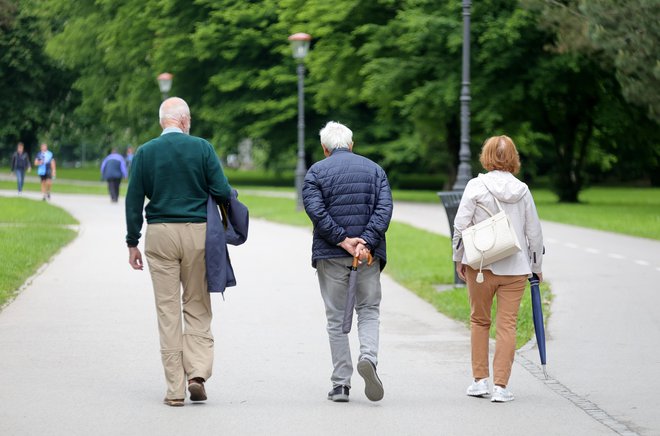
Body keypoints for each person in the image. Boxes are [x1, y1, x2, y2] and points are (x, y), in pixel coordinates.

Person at [125, 97, 232, 407]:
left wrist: (132, 241)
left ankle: (174, 389)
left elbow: (134, 200)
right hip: (198, 233)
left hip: (159, 235)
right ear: (184, 121)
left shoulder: (145, 152)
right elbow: (223, 191)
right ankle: (197, 374)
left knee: (168, 310)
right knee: (197, 304)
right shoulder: (202, 148)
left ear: (163, 122)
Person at [302, 121, 393, 403]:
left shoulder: (316, 171)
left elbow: (315, 210)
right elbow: (384, 208)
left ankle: (341, 384)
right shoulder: (375, 170)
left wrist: (342, 240)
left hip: (331, 254)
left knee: (335, 317)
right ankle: (368, 357)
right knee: (368, 310)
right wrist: (364, 241)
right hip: (367, 255)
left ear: (325, 149)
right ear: (351, 144)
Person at [452, 135, 544, 403]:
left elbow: (460, 225)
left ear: (487, 156)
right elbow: (534, 234)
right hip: (515, 268)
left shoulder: (475, 186)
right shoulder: (523, 190)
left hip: (480, 265)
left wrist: (459, 258)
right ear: (514, 158)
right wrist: (536, 267)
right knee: (508, 326)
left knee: (479, 321)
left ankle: (480, 381)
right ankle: (501, 387)